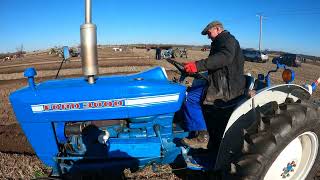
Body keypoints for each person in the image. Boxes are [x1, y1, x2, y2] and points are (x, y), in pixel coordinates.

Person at [181, 21, 246, 149]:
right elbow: (214, 64)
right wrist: (195, 69)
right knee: (191, 89)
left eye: (209, 33)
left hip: (227, 87)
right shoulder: (220, 41)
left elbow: (224, 58)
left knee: (190, 98)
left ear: (217, 29)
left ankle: (203, 137)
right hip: (220, 82)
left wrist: (197, 66)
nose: (208, 36)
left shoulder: (228, 40)